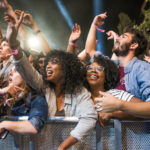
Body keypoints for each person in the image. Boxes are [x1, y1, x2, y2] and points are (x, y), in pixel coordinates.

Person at [5, 12, 97, 150]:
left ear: (65, 68)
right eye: (47, 62)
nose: (47, 65)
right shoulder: (43, 85)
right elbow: (22, 63)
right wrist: (12, 40)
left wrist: (62, 147)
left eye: (53, 62)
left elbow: (89, 119)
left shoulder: (79, 92)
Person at [86, 52, 143, 127]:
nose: (93, 70)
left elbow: (144, 111)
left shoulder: (115, 95)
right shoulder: (80, 95)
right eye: (90, 68)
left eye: (99, 69)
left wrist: (113, 113)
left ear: (106, 76)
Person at [0, 66, 48, 135]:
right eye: (10, 70)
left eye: (16, 71)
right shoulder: (6, 98)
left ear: (26, 76)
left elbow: (34, 126)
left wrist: (4, 124)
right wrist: (1, 92)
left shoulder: (36, 98)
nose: (10, 73)